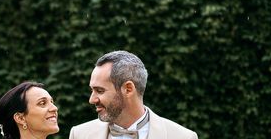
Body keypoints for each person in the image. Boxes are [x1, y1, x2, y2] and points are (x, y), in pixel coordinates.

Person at [69, 50, 197, 139]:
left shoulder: (182, 137)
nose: (92, 99)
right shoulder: (79, 135)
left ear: (128, 89)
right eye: (92, 90)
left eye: (100, 91)